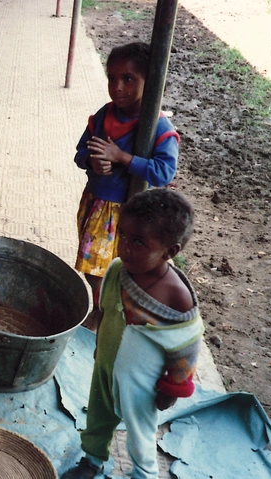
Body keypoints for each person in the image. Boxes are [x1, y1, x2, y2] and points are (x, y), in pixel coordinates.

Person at [62, 188, 204, 479]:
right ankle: (92, 460)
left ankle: (143, 474)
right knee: (98, 417)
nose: (125, 247)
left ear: (170, 251)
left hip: (141, 384)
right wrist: (100, 346)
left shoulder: (176, 297)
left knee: (140, 436)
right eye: (123, 234)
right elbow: (107, 310)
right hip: (105, 367)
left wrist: (173, 389)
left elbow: (186, 348)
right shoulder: (117, 270)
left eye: (138, 241)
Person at [73, 42, 180, 330]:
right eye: (112, 78)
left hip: (124, 214)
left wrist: (122, 157)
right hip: (94, 204)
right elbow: (81, 152)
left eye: (128, 79)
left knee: (99, 267)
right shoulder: (104, 115)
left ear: (150, 82)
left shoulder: (158, 127)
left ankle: (106, 311)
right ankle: (104, 308)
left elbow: (164, 172)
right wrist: (92, 162)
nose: (117, 87)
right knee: (93, 264)